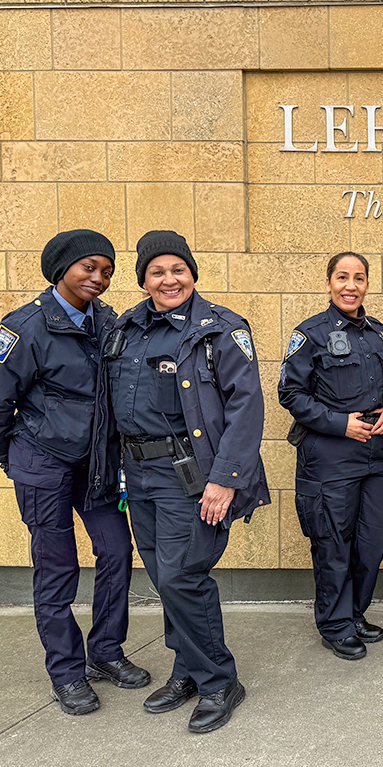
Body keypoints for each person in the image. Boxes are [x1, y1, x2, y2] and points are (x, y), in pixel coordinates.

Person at [0, 229, 149, 716]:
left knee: (115, 552)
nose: (99, 278)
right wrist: (13, 458)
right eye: (89, 267)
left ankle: (105, 653)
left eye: (107, 271)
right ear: (61, 269)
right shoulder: (25, 327)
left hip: (95, 465)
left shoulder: (108, 322)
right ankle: (66, 672)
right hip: (42, 464)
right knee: (57, 569)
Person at [104, 230, 269, 732]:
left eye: (178, 269)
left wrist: (225, 480)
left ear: (192, 273)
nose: (169, 279)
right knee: (163, 578)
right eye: (157, 271)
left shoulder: (221, 328)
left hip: (193, 476)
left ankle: (220, 681)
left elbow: (247, 407)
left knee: (182, 576)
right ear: (144, 279)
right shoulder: (126, 329)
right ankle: (188, 670)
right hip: (139, 474)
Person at [278, 252, 383, 661]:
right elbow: (290, 394)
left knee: (373, 539)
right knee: (333, 542)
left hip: (381, 455)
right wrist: (338, 423)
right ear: (329, 282)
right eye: (342, 277)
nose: (351, 286)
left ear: (368, 284)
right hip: (330, 456)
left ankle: (354, 613)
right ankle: (335, 624)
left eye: (359, 278)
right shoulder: (309, 334)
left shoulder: (382, 335)